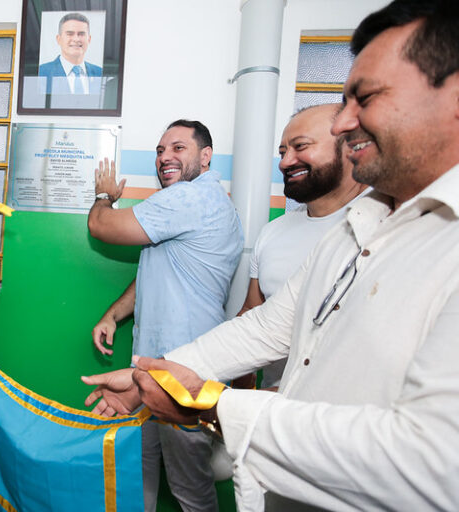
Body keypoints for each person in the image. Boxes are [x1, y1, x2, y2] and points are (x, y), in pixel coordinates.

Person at [83, 0, 459, 510]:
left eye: (366, 97)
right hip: (284, 481)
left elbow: (434, 463)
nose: (345, 123)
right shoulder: (353, 226)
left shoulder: (194, 199)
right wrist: (150, 376)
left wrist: (215, 405)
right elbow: (266, 326)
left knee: (190, 488)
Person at [88, 120, 243, 512]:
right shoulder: (190, 204)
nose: (165, 157)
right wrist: (113, 316)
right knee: (140, 472)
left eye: (178, 148)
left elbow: (99, 225)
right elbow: (156, 271)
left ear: (205, 157)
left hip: (183, 371)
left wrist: (104, 197)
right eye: (160, 150)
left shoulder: (189, 198)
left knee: (189, 489)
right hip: (150, 367)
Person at [236, 103, 368, 390]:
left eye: (301, 146)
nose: (285, 162)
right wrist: (239, 393)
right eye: (283, 152)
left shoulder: (386, 223)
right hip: (269, 407)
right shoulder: (273, 233)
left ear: (351, 147)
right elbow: (252, 313)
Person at [38, 12, 103, 96]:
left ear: (89, 39)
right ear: (58, 39)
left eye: (81, 34)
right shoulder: (41, 73)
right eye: (70, 34)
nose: (76, 39)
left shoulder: (100, 73)